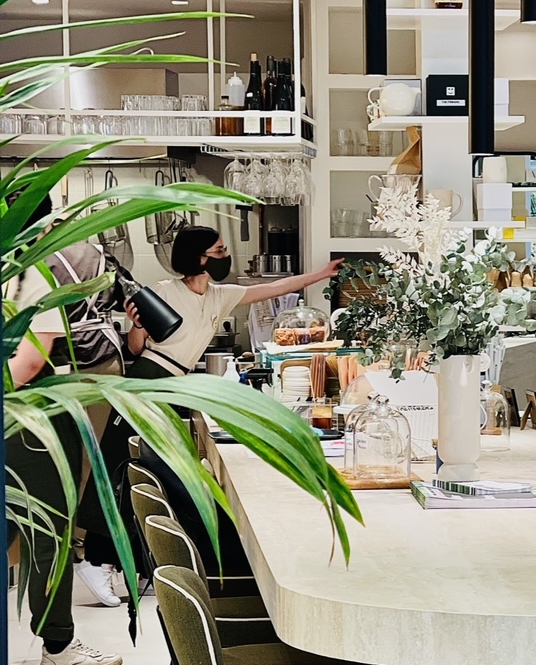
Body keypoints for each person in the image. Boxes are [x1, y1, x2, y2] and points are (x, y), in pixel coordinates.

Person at [79, 224, 342, 571]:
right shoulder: (163, 291)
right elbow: (136, 348)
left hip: (176, 384)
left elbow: (272, 288)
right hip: (148, 379)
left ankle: (129, 560)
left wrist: (321, 273)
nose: (225, 256)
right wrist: (138, 325)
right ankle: (96, 560)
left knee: (151, 470)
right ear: (198, 258)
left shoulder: (220, 296)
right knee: (120, 462)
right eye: (219, 251)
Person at [5, 213, 123, 665]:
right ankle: (58, 646)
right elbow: (33, 357)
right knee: (48, 531)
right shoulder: (30, 271)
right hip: (33, 415)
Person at [44, 236, 130, 609]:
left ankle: (73, 548)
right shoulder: (94, 252)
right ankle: (79, 547)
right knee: (88, 462)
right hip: (103, 359)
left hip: (64, 364)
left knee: (66, 464)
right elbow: (127, 295)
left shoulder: (38, 260)